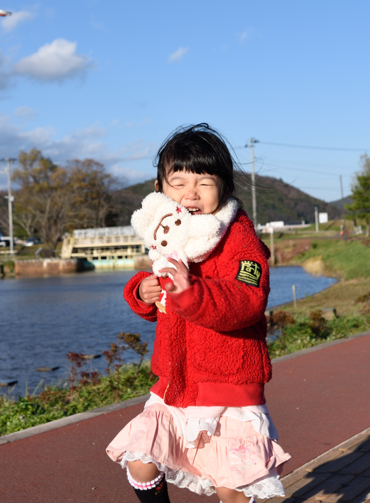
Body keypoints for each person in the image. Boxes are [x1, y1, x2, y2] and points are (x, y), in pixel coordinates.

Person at [106, 124, 290, 503]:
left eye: (204, 183)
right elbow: (161, 304)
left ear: (224, 188)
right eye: (178, 182)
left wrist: (191, 291)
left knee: (232, 490)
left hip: (230, 387)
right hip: (175, 384)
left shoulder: (240, 239)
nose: (190, 193)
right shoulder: (172, 234)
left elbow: (246, 299)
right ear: (159, 188)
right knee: (141, 461)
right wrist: (142, 291)